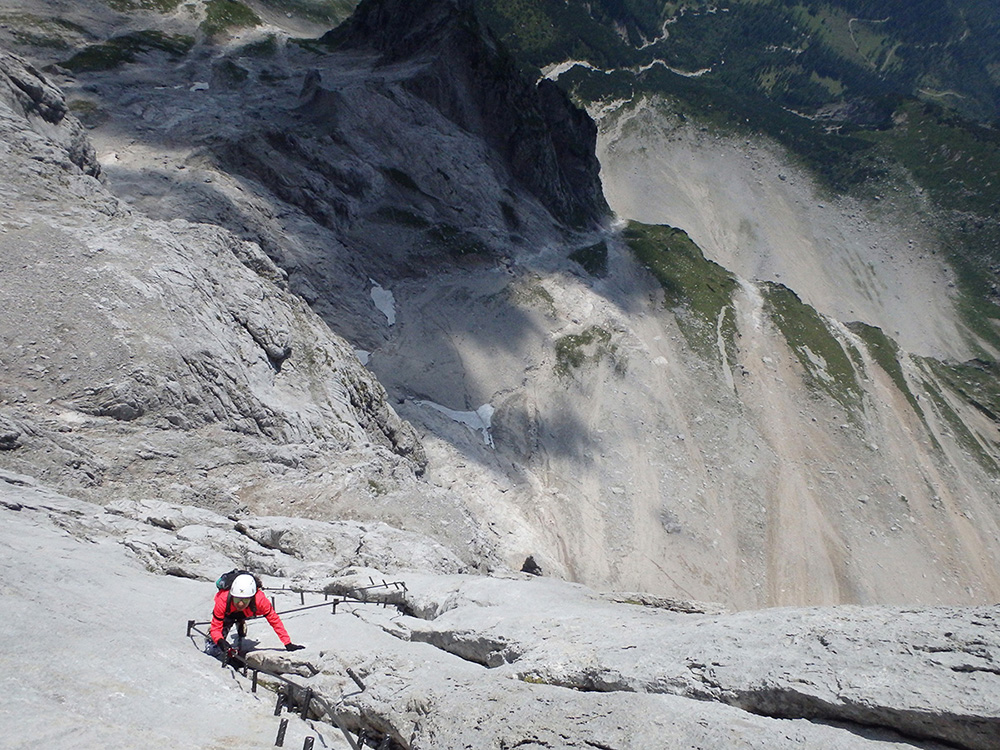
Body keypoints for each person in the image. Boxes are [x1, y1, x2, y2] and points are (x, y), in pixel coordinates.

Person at [210, 573, 305, 654]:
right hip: (229, 613)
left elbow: (274, 620)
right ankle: (238, 621)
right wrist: (220, 640)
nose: (240, 603)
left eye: (244, 600)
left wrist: (287, 643)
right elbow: (215, 628)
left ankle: (240, 621)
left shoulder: (260, 601)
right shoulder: (223, 600)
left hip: (248, 612)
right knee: (214, 648)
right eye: (237, 599)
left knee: (240, 615)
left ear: (251, 597)